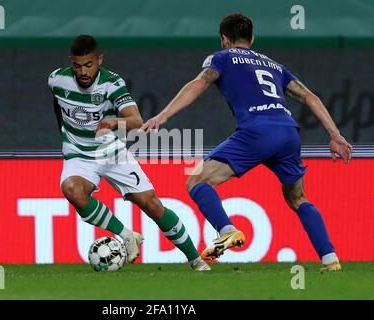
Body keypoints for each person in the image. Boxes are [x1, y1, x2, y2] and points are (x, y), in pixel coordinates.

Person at [140, 13, 352, 272]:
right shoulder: (274, 65)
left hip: (256, 131)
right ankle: (330, 259)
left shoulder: (221, 58)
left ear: (224, 39)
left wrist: (163, 115)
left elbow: (200, 83)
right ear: (251, 38)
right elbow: (310, 97)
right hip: (288, 133)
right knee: (298, 198)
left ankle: (227, 230)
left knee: (197, 180)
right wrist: (335, 135)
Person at [48, 35, 210, 271]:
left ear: (99, 60)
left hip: (111, 152)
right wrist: (63, 132)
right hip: (78, 155)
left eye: (89, 65)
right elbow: (58, 103)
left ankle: (196, 259)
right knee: (72, 190)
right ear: (71, 62)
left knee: (151, 204)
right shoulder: (56, 80)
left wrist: (114, 122)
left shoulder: (112, 84)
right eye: (77, 65)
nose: (83, 71)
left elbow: (136, 120)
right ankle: (126, 235)